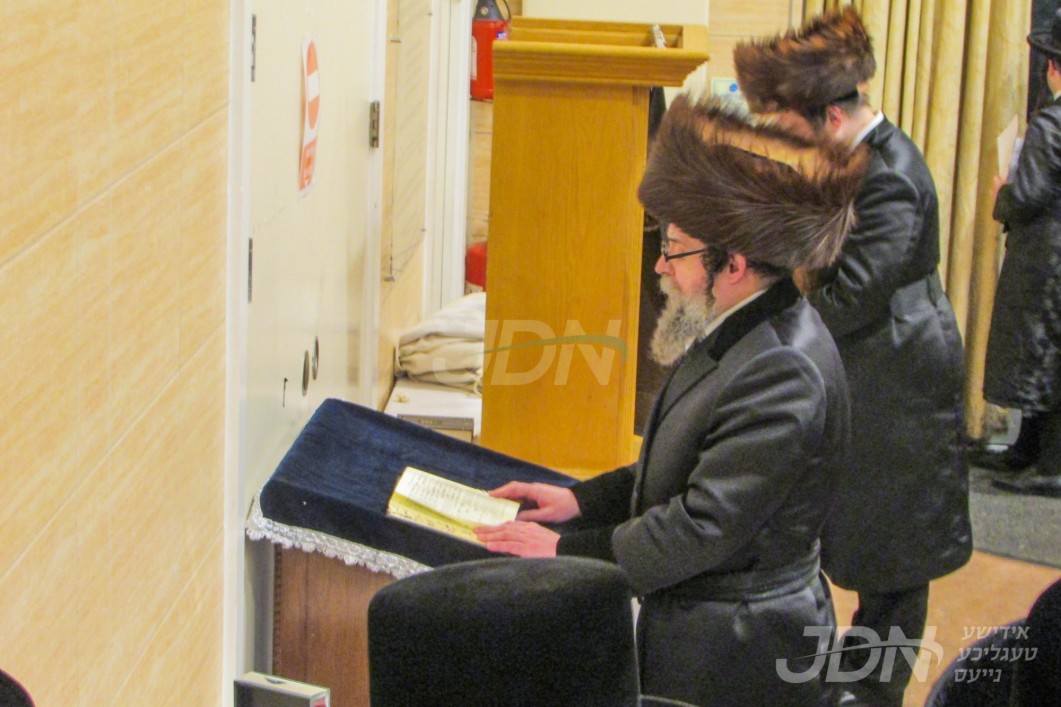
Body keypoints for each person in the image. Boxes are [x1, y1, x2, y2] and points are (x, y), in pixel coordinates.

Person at [474, 95, 868, 707]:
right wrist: (579, 501)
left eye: (676, 248)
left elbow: (703, 524)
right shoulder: (734, 320)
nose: (660, 264)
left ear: (733, 264)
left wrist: (564, 551)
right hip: (707, 624)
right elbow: (679, 460)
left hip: (740, 651)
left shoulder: (782, 369)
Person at [733, 8, 973, 706]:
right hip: (874, 367)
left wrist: (771, 328)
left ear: (832, 118)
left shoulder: (889, 176)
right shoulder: (857, 160)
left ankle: (871, 695)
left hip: (898, 380)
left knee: (894, 560)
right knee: (869, 542)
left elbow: (854, 297)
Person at [976, 7, 1061, 498]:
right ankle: (1028, 449)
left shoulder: (1051, 124)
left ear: (1052, 67)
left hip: (1047, 255)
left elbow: (1027, 196)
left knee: (1040, 354)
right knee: (1048, 356)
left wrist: (1001, 194)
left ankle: (1049, 464)